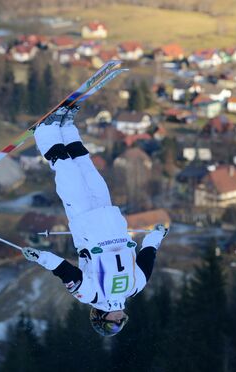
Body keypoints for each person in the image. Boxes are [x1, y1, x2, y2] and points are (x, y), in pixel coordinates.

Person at [21, 106, 169, 337]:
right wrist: (157, 234)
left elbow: (66, 272)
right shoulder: (135, 288)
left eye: (112, 324)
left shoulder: (94, 296)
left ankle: (46, 132)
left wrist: (41, 257)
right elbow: (148, 254)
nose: (118, 321)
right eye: (119, 325)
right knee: (87, 168)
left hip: (88, 225)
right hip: (110, 221)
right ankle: (66, 128)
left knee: (68, 173)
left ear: (100, 316)